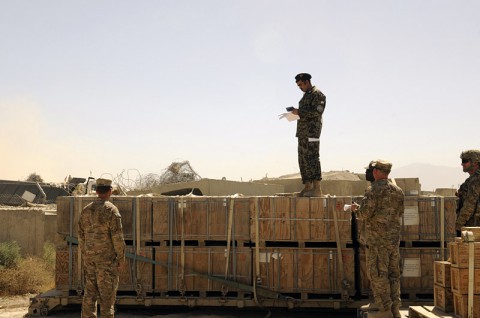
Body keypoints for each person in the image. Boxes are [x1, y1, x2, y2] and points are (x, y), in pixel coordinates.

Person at [351, 160, 404, 318]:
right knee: (393, 275)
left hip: (377, 242)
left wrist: (355, 209)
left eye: (373, 170)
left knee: (378, 275)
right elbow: (399, 212)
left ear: (377, 172)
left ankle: (384, 310)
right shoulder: (398, 190)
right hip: (393, 241)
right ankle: (395, 309)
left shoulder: (373, 190)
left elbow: (364, 214)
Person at [78, 178, 126, 318]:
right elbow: (117, 237)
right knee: (107, 299)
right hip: (106, 263)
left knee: (89, 296)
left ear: (97, 191)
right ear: (110, 191)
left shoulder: (86, 210)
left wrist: (86, 254)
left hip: (90, 260)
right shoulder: (111, 210)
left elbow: (81, 235)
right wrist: (121, 259)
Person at [290, 73, 326, 197]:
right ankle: (307, 187)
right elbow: (304, 113)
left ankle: (317, 189)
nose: (300, 87)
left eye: (301, 85)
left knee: (312, 158)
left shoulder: (318, 94)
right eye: (298, 85)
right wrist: (294, 114)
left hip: (312, 133)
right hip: (303, 133)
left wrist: (299, 111)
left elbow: (317, 112)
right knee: (303, 159)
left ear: (306, 82)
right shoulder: (305, 96)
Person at [456, 149, 480, 231]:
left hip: (474, 226)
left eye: (465, 161)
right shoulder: (470, 180)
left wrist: (459, 225)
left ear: (475, 162)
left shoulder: (476, 180)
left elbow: (469, 205)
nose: (462, 164)